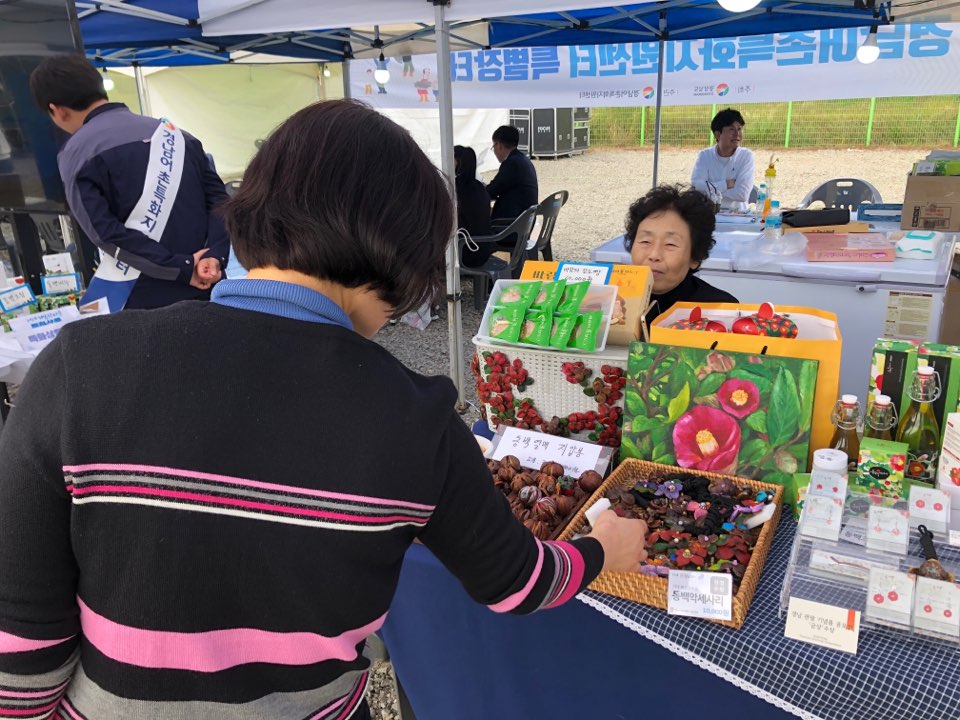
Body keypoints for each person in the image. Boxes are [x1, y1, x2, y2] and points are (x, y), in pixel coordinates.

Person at [0, 99, 648, 719]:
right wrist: (602, 550)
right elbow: (515, 583)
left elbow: (22, 644)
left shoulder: (81, 363)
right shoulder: (415, 418)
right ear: (401, 255)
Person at [29, 54, 229, 310]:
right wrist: (214, 256)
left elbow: (104, 232)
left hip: (144, 297)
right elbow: (222, 202)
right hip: (210, 284)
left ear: (56, 110)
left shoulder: (76, 153)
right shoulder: (177, 136)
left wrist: (181, 267)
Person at [625, 184, 738, 328]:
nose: (654, 255)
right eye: (645, 241)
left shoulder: (721, 311)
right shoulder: (612, 301)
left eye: (670, 244)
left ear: (695, 257)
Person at [690, 107, 755, 211]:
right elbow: (697, 188)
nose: (737, 134)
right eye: (731, 129)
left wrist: (709, 191)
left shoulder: (746, 156)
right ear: (718, 134)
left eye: (739, 129)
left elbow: (742, 194)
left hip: (738, 217)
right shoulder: (705, 156)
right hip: (709, 214)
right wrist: (726, 184)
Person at [486, 124, 538, 225]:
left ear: (499, 145)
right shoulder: (523, 160)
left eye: (494, 147)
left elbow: (491, 191)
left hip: (511, 227)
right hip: (523, 223)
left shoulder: (511, 164)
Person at [454, 144, 494, 268]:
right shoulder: (480, 186)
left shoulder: (455, 188)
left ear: (458, 162)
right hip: (484, 250)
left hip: (466, 252)